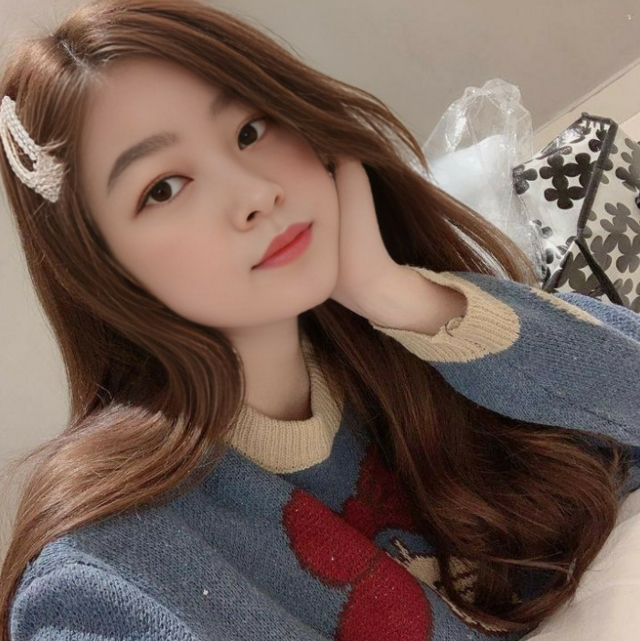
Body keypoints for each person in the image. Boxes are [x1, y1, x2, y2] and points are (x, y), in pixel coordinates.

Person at [1, 1, 639, 639]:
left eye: (250, 130)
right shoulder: (105, 579)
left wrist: (394, 296)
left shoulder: (402, 347)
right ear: (101, 267)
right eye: (163, 188)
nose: (257, 194)